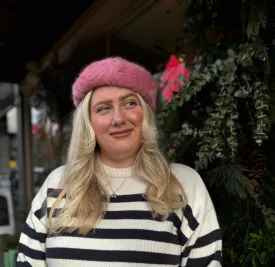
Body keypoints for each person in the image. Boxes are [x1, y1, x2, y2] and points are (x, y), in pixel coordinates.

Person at [16, 57, 222, 266]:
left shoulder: (183, 184)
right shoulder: (58, 184)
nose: (118, 118)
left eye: (130, 103)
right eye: (103, 108)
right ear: (88, 123)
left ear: (146, 114)